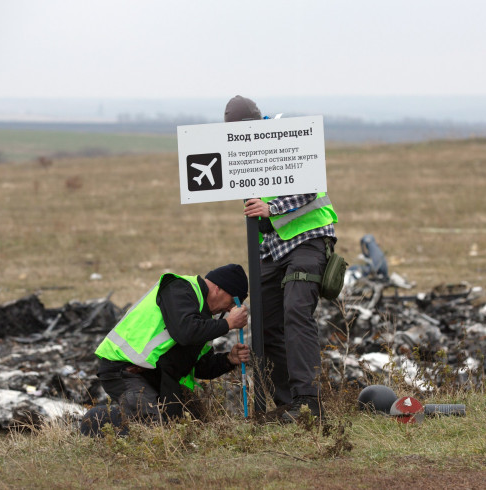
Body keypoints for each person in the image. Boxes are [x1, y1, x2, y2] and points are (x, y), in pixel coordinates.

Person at [224, 95, 339, 422]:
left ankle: (309, 403)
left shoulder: (286, 135)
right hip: (272, 248)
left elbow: (309, 187)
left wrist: (272, 209)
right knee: (265, 320)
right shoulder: (240, 150)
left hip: (308, 237)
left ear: (252, 124)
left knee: (295, 310)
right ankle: (287, 403)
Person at [87, 263, 250, 429]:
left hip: (158, 377)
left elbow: (200, 367)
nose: (230, 309)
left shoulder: (205, 321)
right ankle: (95, 421)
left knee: (188, 428)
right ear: (218, 289)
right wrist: (228, 323)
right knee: (152, 429)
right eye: (233, 302)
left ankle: (129, 415)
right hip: (124, 369)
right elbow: (185, 332)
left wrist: (229, 359)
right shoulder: (179, 288)